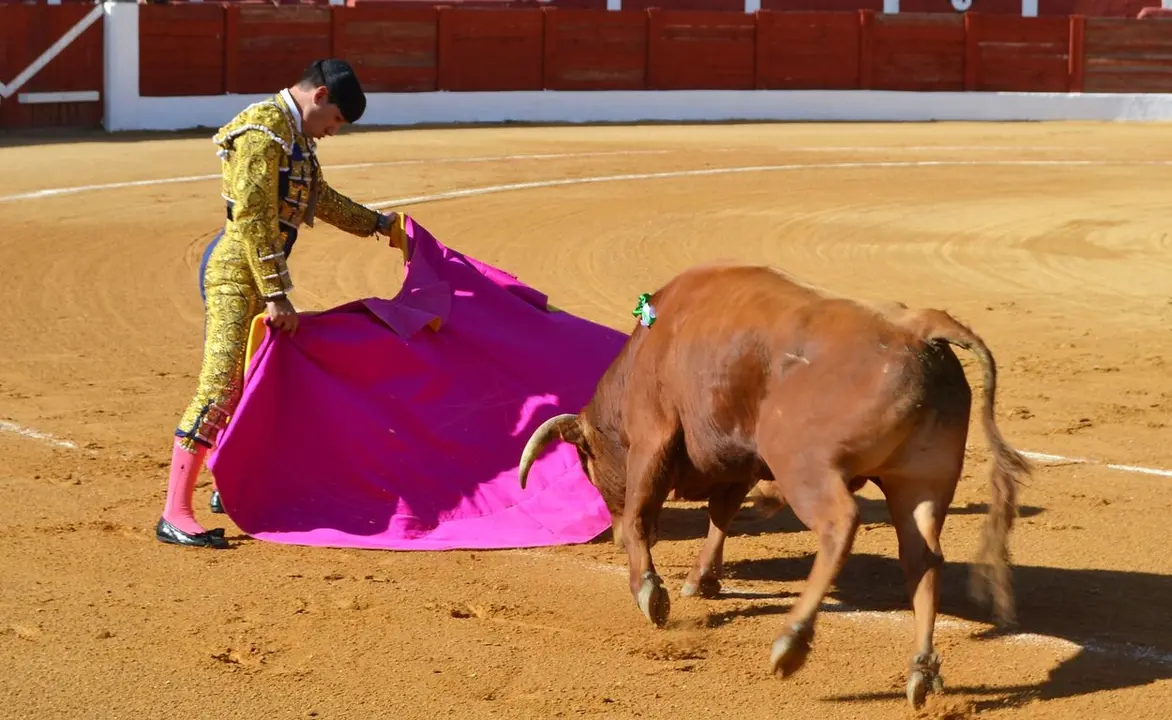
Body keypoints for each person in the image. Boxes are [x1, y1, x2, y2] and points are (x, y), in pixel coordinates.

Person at [156, 58, 403, 549]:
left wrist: (378, 225)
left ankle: (230, 483)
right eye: (334, 121)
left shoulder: (293, 136)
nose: (331, 132)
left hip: (255, 273)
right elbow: (251, 218)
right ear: (320, 97)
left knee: (256, 381)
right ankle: (174, 512)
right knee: (223, 382)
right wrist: (274, 292)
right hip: (234, 275)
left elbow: (320, 197)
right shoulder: (263, 130)